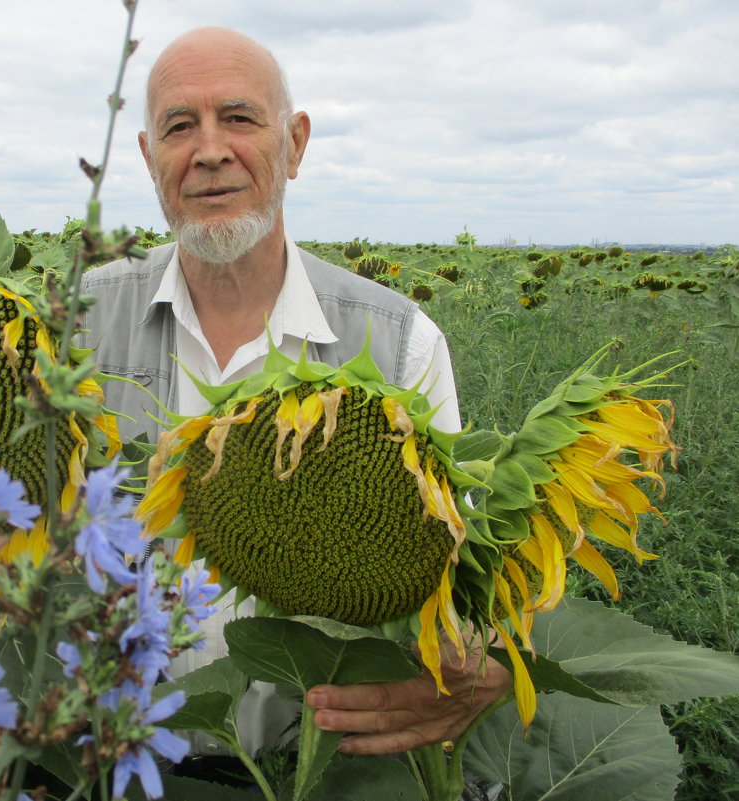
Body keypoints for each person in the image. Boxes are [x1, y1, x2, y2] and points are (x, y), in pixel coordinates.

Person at [79, 26, 511, 764]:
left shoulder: (401, 345)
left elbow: (468, 578)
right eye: (180, 127)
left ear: (296, 143)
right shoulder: (75, 328)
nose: (210, 150)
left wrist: (489, 661)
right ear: (151, 159)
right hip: (105, 760)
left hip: (323, 765)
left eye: (240, 118)